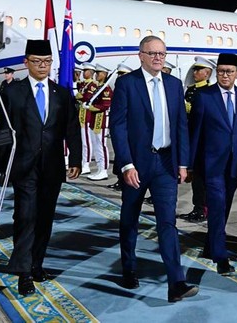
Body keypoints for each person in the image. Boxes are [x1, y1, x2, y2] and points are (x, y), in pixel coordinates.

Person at [109, 35, 199, 303]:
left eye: (162, 53)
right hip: (136, 164)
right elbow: (118, 126)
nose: (159, 58)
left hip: (166, 164)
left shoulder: (173, 85)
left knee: (167, 223)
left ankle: (176, 282)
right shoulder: (127, 84)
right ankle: (129, 268)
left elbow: (181, 125)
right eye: (153, 53)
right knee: (129, 219)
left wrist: (183, 163)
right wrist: (126, 163)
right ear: (141, 55)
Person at [4, 39, 82, 296]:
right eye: (37, 62)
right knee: (26, 217)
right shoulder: (13, 92)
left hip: (52, 167)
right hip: (24, 166)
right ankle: (23, 272)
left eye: (47, 62)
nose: (42, 66)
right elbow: (4, 130)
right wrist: (2, 166)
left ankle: (37, 264)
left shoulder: (62, 94)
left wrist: (76, 160)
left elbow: (72, 128)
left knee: (45, 219)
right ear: (26, 63)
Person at [188, 53, 237, 275]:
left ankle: (209, 246)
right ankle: (221, 256)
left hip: (234, 165)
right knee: (217, 205)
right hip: (210, 164)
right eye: (221, 71)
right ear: (216, 73)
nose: (225, 75)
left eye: (229, 72)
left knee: (224, 208)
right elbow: (194, 132)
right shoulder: (204, 96)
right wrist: (188, 165)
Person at [179, 56, 216, 223]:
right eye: (195, 69)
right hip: (191, 135)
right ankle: (197, 207)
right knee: (194, 176)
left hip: (204, 139)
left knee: (203, 177)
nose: (195, 72)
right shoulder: (192, 90)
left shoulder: (210, 92)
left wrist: (189, 108)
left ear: (207, 73)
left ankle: (204, 209)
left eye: (198, 70)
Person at [107, 63, 133, 191]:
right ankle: (119, 180)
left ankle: (124, 181)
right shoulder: (120, 86)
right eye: (119, 74)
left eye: (122, 74)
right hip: (119, 127)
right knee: (118, 155)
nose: (120, 76)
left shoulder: (131, 87)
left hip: (129, 128)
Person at [84, 64, 112, 181]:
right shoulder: (98, 88)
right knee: (96, 145)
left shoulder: (106, 89)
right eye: (96, 73)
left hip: (101, 120)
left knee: (101, 145)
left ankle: (103, 170)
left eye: (99, 73)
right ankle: (99, 169)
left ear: (104, 75)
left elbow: (105, 106)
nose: (96, 75)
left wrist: (91, 107)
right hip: (94, 120)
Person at [0, 67, 20, 174]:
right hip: (2, 117)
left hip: (10, 118)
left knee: (8, 142)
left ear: (12, 74)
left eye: (8, 73)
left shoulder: (16, 86)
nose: (6, 75)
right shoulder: (4, 84)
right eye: (5, 73)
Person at [75, 62, 97, 174]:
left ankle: (86, 164)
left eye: (85, 71)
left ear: (91, 72)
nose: (83, 73)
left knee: (86, 141)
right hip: (81, 115)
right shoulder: (84, 84)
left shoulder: (92, 85)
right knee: (81, 141)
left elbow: (87, 97)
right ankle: (83, 162)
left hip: (87, 116)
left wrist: (79, 96)